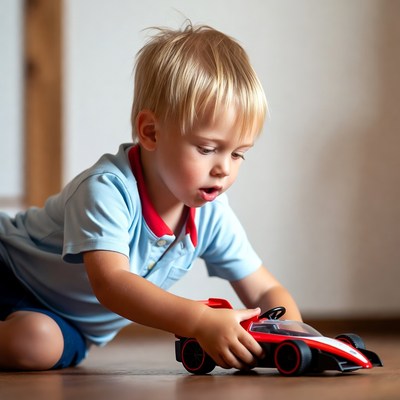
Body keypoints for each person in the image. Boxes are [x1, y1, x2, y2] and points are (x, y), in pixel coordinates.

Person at [0, 22, 302, 371]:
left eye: (238, 154)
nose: (224, 169)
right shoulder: (107, 190)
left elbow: (265, 291)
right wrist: (198, 320)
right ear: (150, 132)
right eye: (207, 148)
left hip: (66, 324)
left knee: (36, 344)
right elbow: (112, 284)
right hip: (8, 267)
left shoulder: (211, 215)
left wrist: (291, 334)